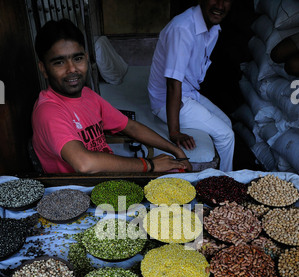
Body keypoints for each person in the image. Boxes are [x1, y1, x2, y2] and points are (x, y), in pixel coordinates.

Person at [32, 19, 191, 174]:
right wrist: (149, 165)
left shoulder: (87, 95)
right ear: (44, 69)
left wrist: (175, 150)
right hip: (80, 192)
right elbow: (84, 164)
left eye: (78, 58)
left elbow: (130, 126)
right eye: (59, 62)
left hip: (109, 181)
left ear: (87, 58)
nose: (72, 69)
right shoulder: (48, 111)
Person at [148, 0, 235, 172]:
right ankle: (225, 184)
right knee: (226, 136)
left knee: (227, 123)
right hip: (165, 100)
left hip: (188, 92)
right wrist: (175, 132)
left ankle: (218, 176)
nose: (220, 5)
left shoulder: (213, 28)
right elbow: (173, 83)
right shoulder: (183, 28)